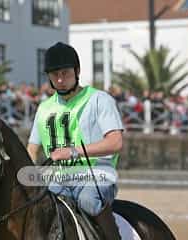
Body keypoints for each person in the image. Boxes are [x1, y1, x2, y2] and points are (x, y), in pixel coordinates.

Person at [27, 42, 123, 239]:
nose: (60, 80)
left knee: (88, 200)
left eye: (65, 73)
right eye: (55, 75)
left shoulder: (99, 99)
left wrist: (73, 151)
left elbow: (115, 142)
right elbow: (32, 149)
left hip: (97, 175)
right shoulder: (44, 108)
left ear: (77, 71)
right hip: (57, 178)